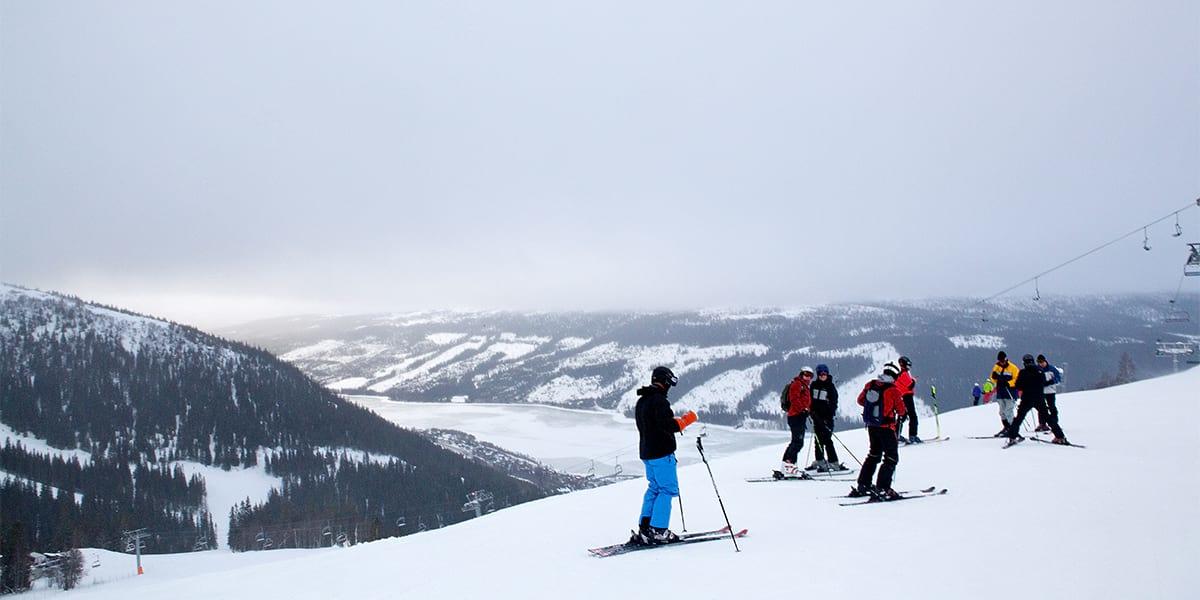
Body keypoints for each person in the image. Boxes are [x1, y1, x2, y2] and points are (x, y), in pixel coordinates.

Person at [634, 366, 698, 544]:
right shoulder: (659, 401)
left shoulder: (642, 401)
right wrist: (685, 421)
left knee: (654, 488)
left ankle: (645, 526)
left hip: (647, 453)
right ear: (664, 381)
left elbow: (652, 425)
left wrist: (675, 422)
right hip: (661, 453)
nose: (670, 386)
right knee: (667, 489)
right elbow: (667, 425)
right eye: (669, 382)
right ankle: (659, 530)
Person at [850, 362, 907, 500]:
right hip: (886, 428)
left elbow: (860, 400)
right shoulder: (893, 390)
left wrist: (873, 408)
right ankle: (883, 487)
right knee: (891, 457)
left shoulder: (871, 384)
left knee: (874, 454)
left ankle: (863, 484)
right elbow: (901, 410)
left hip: (872, 425)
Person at [1004, 355, 1068, 444]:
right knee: (1048, 417)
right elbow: (1044, 382)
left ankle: (1012, 437)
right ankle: (1060, 436)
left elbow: (1018, 386)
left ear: (1024, 363)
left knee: (1019, 418)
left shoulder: (1023, 372)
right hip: (1039, 398)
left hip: (1027, 398)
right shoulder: (1040, 371)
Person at [806, 364, 844, 472]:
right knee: (818, 440)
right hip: (816, 416)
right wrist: (811, 412)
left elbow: (833, 403)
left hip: (827, 418)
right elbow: (810, 400)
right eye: (821, 374)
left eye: (825, 374)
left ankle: (833, 462)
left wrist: (828, 416)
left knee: (827, 439)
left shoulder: (830, 387)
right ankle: (820, 460)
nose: (823, 376)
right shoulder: (813, 385)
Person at [779, 366, 814, 477]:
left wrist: (806, 410)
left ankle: (786, 466)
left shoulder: (803, 386)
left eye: (810, 376)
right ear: (801, 375)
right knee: (798, 442)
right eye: (805, 375)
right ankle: (790, 467)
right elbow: (794, 399)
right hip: (796, 416)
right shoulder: (797, 384)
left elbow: (803, 401)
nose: (808, 378)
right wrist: (802, 410)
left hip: (798, 416)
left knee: (795, 442)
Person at [989, 351, 1020, 436]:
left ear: (1006, 359)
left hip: (1010, 392)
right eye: (1000, 361)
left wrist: (1008, 383)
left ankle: (1012, 429)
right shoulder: (997, 366)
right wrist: (994, 377)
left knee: (1008, 411)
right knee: (1002, 412)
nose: (1001, 362)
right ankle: (1006, 427)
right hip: (1000, 392)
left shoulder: (1013, 368)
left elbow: (1017, 379)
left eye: (1003, 361)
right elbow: (992, 378)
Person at [1035, 354, 1063, 432]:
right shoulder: (1037, 369)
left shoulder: (1052, 369)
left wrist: (1051, 382)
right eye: (1039, 362)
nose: (1041, 364)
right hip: (1041, 391)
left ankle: (1054, 423)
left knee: (1052, 407)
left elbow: (1058, 379)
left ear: (1045, 361)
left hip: (1050, 391)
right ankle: (1042, 424)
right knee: (1041, 408)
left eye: (1042, 362)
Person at [894, 356, 919, 443]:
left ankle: (896, 434)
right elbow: (910, 385)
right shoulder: (904, 374)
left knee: (902, 416)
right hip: (907, 396)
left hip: (901, 396)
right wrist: (914, 380)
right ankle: (913, 436)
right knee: (912, 416)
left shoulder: (899, 375)